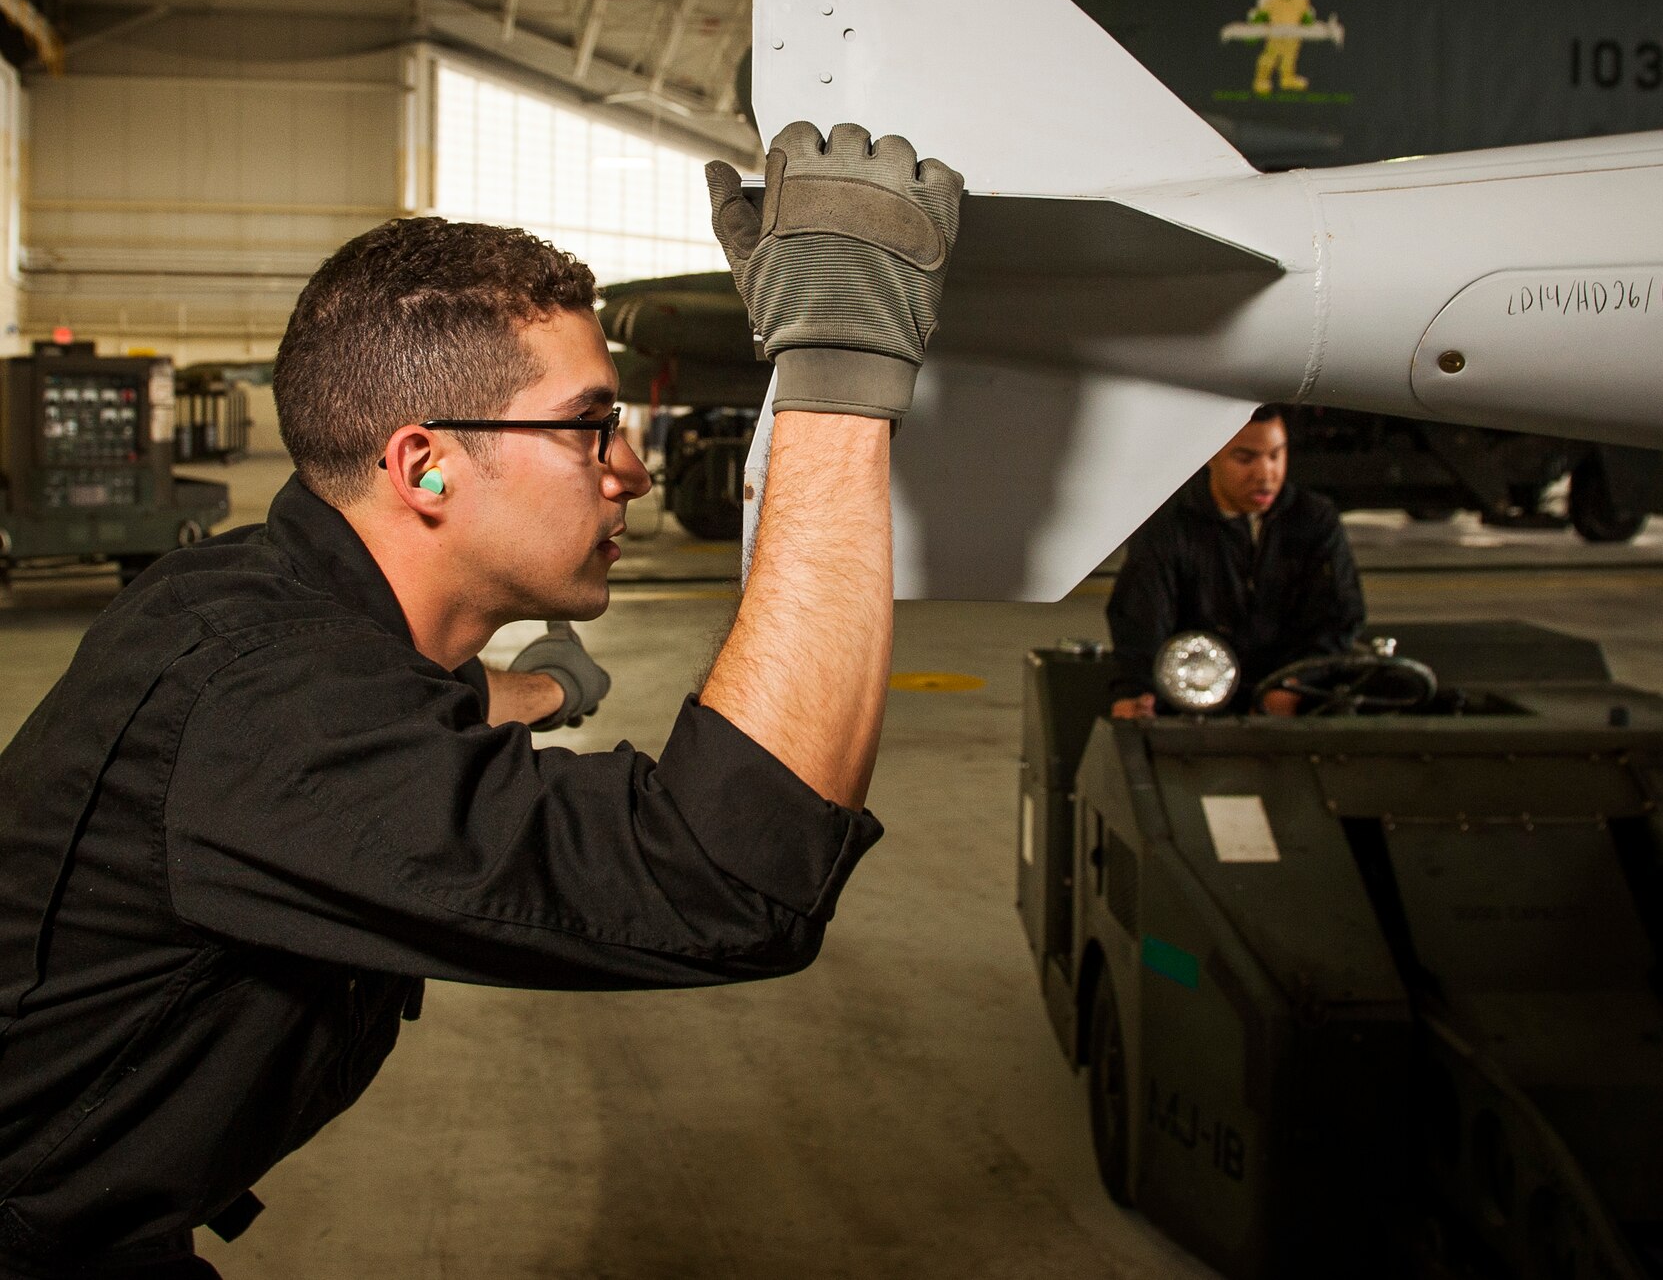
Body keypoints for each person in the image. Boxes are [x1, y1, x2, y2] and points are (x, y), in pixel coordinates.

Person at [0, 121, 960, 1278]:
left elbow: (408, 707)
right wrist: (838, 374)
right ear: (424, 467)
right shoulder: (263, 713)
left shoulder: (259, 602)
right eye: (589, 427)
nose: (633, 470)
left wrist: (544, 688)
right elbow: (723, 876)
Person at [1106, 406, 1365, 718]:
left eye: (1275, 455)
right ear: (1210, 456)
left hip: (1292, 697)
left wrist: (1295, 685)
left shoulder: (1314, 520)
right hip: (1193, 703)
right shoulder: (1168, 526)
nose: (1265, 474)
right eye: (1245, 459)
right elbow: (1140, 619)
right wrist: (1136, 692)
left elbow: (1339, 617)